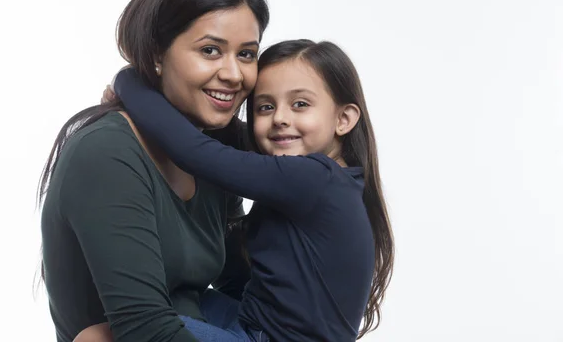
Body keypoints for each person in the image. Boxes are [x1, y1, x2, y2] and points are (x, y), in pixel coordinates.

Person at [81, 39, 394, 341]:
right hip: (251, 320)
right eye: (265, 107)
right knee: (167, 293)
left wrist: (129, 80)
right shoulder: (332, 179)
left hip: (262, 337)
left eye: (300, 104)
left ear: (344, 119)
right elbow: (226, 136)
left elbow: (199, 153)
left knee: (99, 336)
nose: (280, 119)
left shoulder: (314, 179)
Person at [39, 0, 270, 342]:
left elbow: (238, 286)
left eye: (246, 54)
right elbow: (145, 329)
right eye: (210, 50)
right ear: (157, 54)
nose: (234, 74)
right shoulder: (107, 152)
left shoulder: (214, 149)